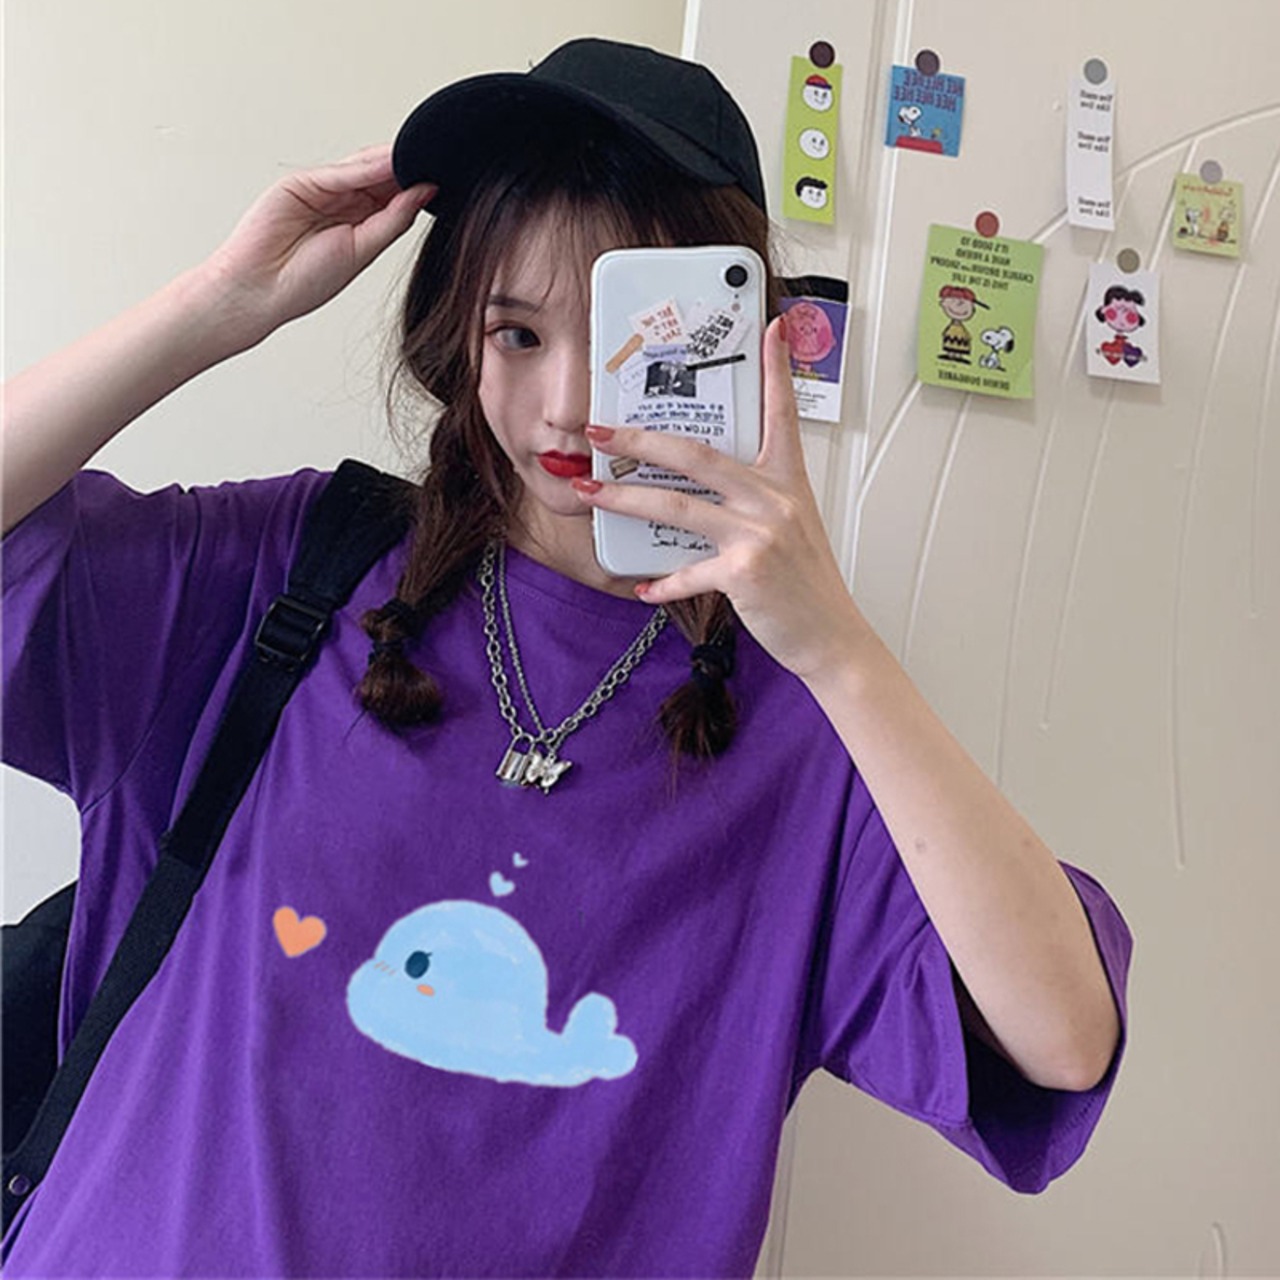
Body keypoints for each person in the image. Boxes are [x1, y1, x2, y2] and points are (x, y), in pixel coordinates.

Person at [1, 37, 1131, 1279]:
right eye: (519, 333)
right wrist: (214, 307)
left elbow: (1061, 1036)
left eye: (629, 337)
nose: (566, 407)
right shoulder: (294, 566)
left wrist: (838, 649)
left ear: (751, 347)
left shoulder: (806, 723)